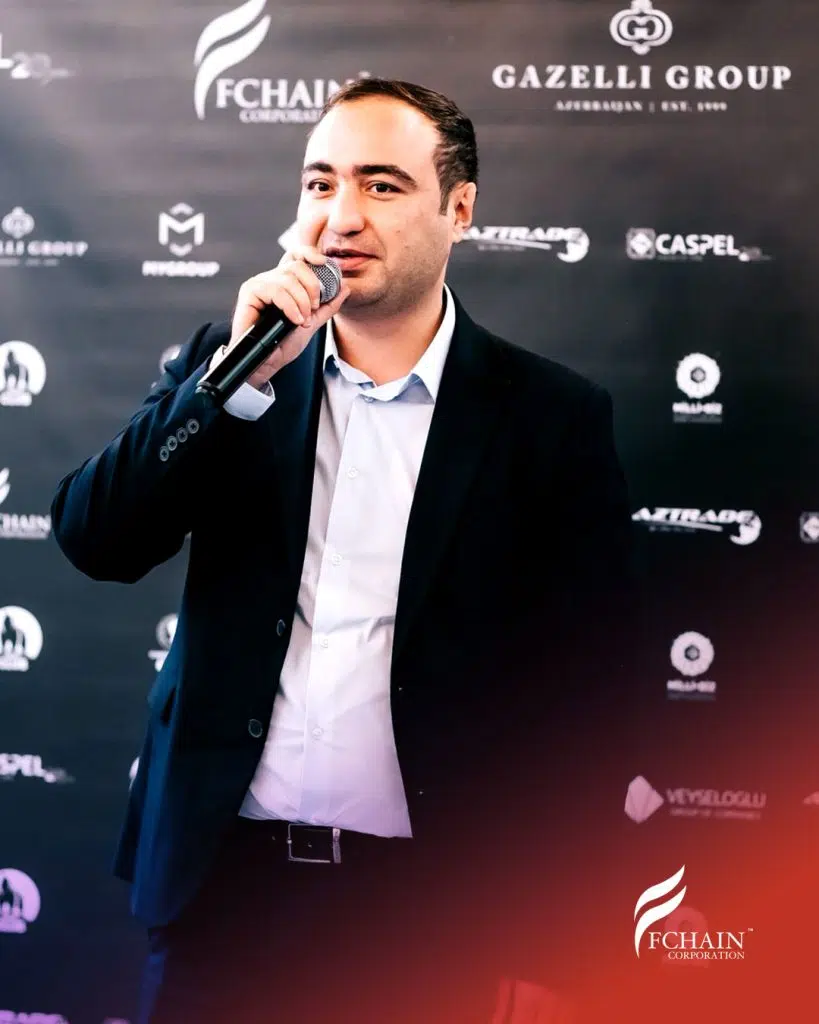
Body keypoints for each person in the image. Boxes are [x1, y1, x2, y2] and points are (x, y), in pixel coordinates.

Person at [51, 78, 638, 1023]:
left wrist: (548, 935)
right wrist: (232, 382)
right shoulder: (232, 369)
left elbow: (594, 696)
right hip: (220, 894)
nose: (340, 216)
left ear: (459, 209)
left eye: (380, 184)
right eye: (319, 183)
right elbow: (96, 539)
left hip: (432, 912)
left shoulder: (548, 416)